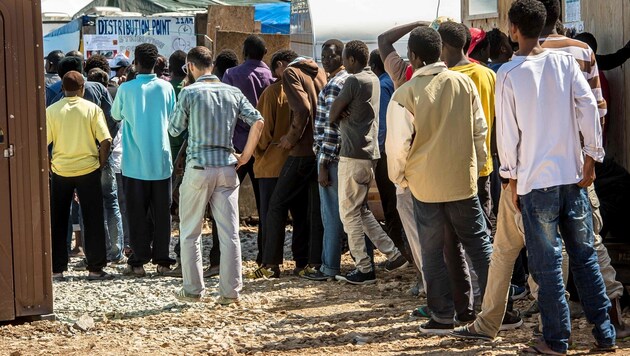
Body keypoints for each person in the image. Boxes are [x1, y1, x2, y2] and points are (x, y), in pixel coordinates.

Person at [494, 1, 615, 353]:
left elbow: (508, 136)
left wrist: (511, 178)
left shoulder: (508, 73)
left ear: (512, 28)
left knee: (547, 268)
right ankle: (605, 333)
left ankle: (556, 340)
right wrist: (592, 159)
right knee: (585, 257)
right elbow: (591, 106)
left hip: (535, 183)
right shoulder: (565, 62)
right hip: (572, 177)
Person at [386, 26, 492, 334]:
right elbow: (479, 130)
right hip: (462, 179)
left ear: (414, 57)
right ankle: (498, 309)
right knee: (478, 246)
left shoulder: (405, 93)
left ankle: (443, 316)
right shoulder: (464, 82)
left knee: (433, 252)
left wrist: (400, 180)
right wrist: (478, 166)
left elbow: (397, 146)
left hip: (425, 185)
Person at [169, 46, 264, 304]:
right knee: (230, 233)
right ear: (212, 64)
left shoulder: (189, 92)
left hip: (199, 168)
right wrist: (245, 155)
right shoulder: (232, 92)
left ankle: (193, 290)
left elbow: (175, 129)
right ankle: (230, 292)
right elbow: (257, 121)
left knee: (190, 232)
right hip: (227, 167)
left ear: (190, 66)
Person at [329, 40, 408, 285]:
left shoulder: (353, 81)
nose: (343, 62)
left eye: (344, 58)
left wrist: (340, 112)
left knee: (348, 214)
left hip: (352, 154)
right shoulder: (373, 78)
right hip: (369, 153)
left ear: (352, 59)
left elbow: (332, 114)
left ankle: (364, 267)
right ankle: (393, 254)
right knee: (361, 210)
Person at [250, 53, 327, 278]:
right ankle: (307, 263)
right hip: (317, 152)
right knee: (307, 213)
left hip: (285, 158)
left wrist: (287, 139)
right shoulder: (319, 74)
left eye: (276, 72)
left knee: (274, 208)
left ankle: (270, 264)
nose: (277, 77)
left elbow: (263, 132)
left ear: (282, 65)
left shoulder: (277, 88)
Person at [111, 43, 177, 277]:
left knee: (136, 213)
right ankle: (163, 261)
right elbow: (172, 117)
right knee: (162, 214)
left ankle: (138, 261)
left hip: (133, 164)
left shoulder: (126, 89)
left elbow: (116, 115)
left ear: (136, 63)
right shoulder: (167, 88)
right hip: (160, 161)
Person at [47, 71, 113, 281]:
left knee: (58, 219)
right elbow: (106, 141)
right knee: (93, 218)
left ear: (62, 89)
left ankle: (57, 269)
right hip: (88, 169)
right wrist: (100, 164)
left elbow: (43, 143)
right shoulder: (92, 109)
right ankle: (95, 268)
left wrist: (48, 165)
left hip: (61, 170)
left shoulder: (52, 110)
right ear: (83, 88)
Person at [303, 40, 355, 281]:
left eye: (332, 56)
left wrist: (323, 164)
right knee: (349, 212)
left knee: (331, 215)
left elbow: (331, 129)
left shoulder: (335, 84)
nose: (326, 59)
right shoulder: (343, 81)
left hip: (330, 158)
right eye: (324, 55)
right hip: (338, 156)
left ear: (342, 57)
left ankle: (329, 267)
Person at [222, 35, 274, 258]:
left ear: (243, 52)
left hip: (237, 146)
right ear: (265, 53)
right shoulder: (271, 77)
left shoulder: (231, 75)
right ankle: (265, 256)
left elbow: (225, 110)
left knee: (224, 199)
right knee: (265, 205)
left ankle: (223, 255)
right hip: (263, 148)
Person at [367, 48, 414, 266]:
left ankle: (399, 249)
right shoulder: (390, 82)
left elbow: (384, 124)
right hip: (393, 151)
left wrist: (381, 152)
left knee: (391, 203)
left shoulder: (383, 84)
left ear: (374, 66)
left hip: (388, 153)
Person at [253, 49, 298, 267]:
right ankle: (302, 261)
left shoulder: (272, 93)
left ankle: (269, 262)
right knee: (299, 217)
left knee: (271, 216)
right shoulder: (304, 90)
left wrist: (257, 152)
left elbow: (263, 131)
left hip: (271, 165)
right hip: (297, 162)